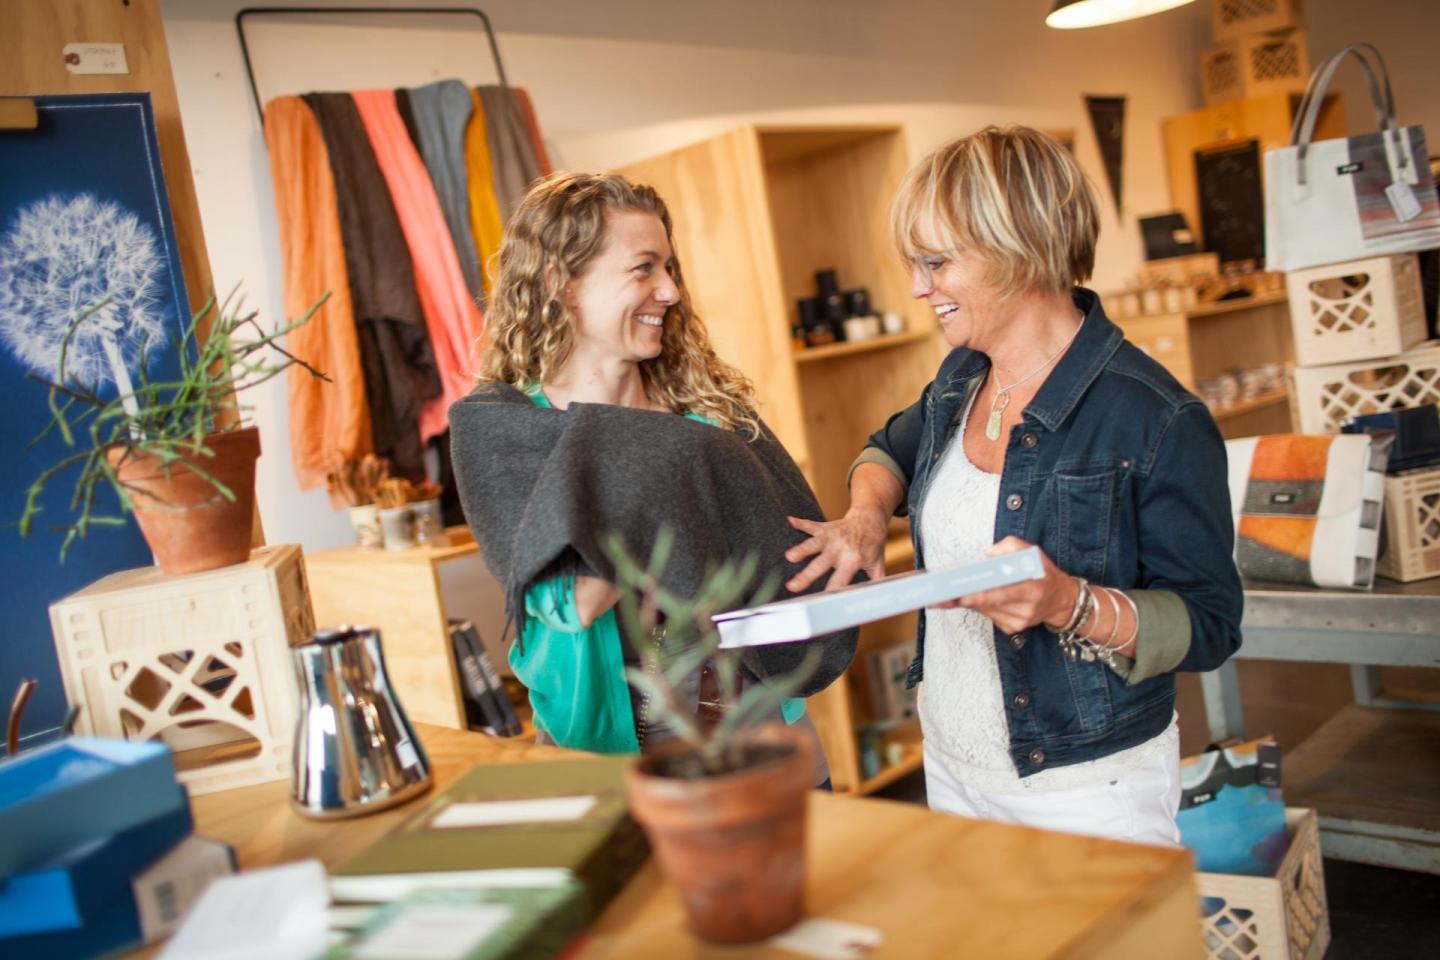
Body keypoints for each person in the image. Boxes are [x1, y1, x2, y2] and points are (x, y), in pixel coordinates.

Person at [784, 126, 1243, 843]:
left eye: (936, 262)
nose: (917, 287)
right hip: (954, 764)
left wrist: (1070, 602)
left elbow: (1211, 625)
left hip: (1086, 786)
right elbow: (888, 449)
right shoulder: (961, 379)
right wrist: (867, 515)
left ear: (1017, 249)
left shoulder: (1155, 418)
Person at [448, 172, 854, 782]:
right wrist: (665, 466)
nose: (669, 291)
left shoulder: (712, 415)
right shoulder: (502, 430)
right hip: (604, 751)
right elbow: (571, 603)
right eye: (643, 269)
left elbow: (791, 559)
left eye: (671, 269)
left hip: (760, 730)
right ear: (562, 281)